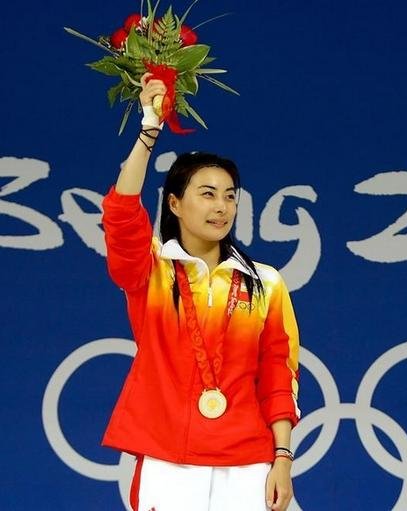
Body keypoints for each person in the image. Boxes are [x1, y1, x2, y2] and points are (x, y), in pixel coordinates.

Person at [101, 73, 300, 511]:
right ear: (174, 203)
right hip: (167, 461)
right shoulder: (150, 271)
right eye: (207, 194)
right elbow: (121, 212)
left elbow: (278, 375)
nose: (221, 207)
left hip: (248, 463)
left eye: (230, 196)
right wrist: (149, 129)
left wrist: (282, 458)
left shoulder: (265, 283)